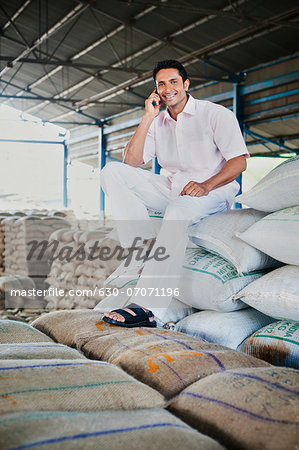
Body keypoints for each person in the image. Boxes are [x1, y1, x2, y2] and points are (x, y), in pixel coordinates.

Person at [100, 59, 249, 328]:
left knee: (178, 210)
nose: (168, 89)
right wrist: (148, 117)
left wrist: (207, 185)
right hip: (174, 189)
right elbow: (131, 162)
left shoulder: (215, 114)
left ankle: (148, 306)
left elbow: (239, 161)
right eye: (161, 84)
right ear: (156, 90)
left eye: (173, 82)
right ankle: (143, 249)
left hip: (211, 192)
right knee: (111, 171)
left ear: (186, 84)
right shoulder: (158, 122)